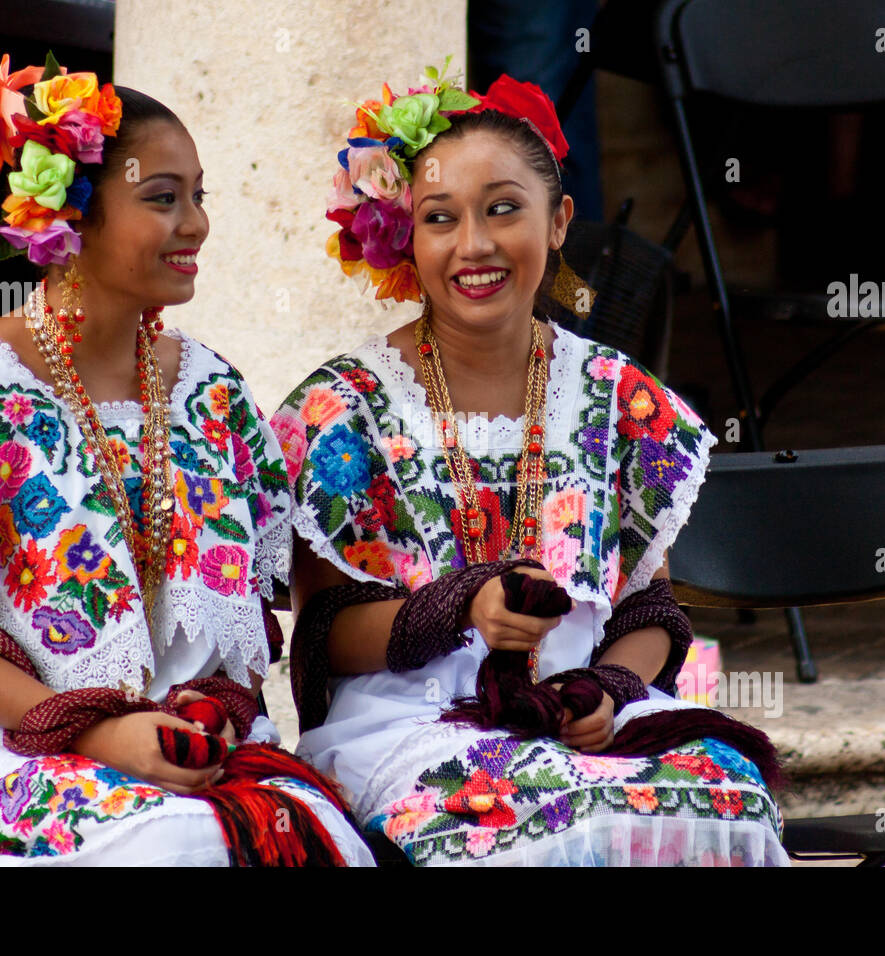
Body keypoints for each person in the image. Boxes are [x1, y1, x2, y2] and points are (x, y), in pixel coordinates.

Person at [0, 50, 372, 866]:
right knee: (169, 845)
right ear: (69, 216)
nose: (194, 223)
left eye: (199, 196)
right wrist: (95, 729)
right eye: (162, 199)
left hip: (172, 744)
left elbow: (246, 623)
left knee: (322, 837)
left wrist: (211, 710)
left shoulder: (213, 393)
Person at [274, 61, 789, 866]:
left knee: (725, 801)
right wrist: (460, 610)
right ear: (403, 233)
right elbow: (326, 631)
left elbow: (649, 612)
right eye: (439, 217)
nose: (474, 245)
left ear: (559, 221)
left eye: (504, 210)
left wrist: (605, 688)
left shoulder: (621, 399)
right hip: (413, 721)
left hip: (579, 717)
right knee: (560, 821)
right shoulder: (342, 409)